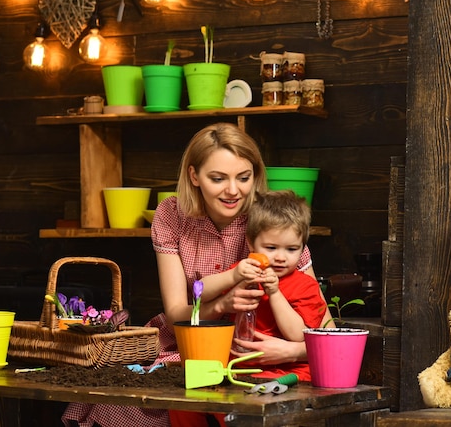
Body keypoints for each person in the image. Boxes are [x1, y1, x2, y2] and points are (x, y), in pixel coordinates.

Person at [62, 123, 331, 427]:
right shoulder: (172, 215)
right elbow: (177, 311)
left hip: (250, 351)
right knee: (118, 392)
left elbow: (326, 328)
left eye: (244, 177)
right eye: (218, 178)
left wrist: (291, 351)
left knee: (200, 391)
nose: (233, 190)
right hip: (184, 339)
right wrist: (223, 304)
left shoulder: (270, 222)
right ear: (194, 176)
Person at [200, 189, 328, 382]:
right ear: (251, 243)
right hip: (239, 366)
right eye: (271, 248)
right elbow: (199, 291)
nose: (280, 257)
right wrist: (232, 275)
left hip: (289, 370)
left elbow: (298, 336)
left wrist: (275, 293)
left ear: (302, 247)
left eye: (292, 249)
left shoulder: (306, 286)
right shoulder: (244, 273)